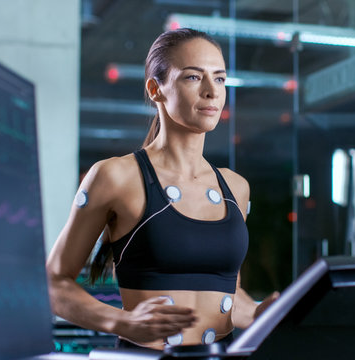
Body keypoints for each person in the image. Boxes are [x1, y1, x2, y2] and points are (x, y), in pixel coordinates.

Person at [46, 28, 279, 350]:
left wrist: (258, 313)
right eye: (193, 78)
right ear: (156, 89)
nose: (212, 92)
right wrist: (121, 321)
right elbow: (53, 284)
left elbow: (224, 294)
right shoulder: (116, 176)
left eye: (220, 78)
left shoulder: (236, 187)